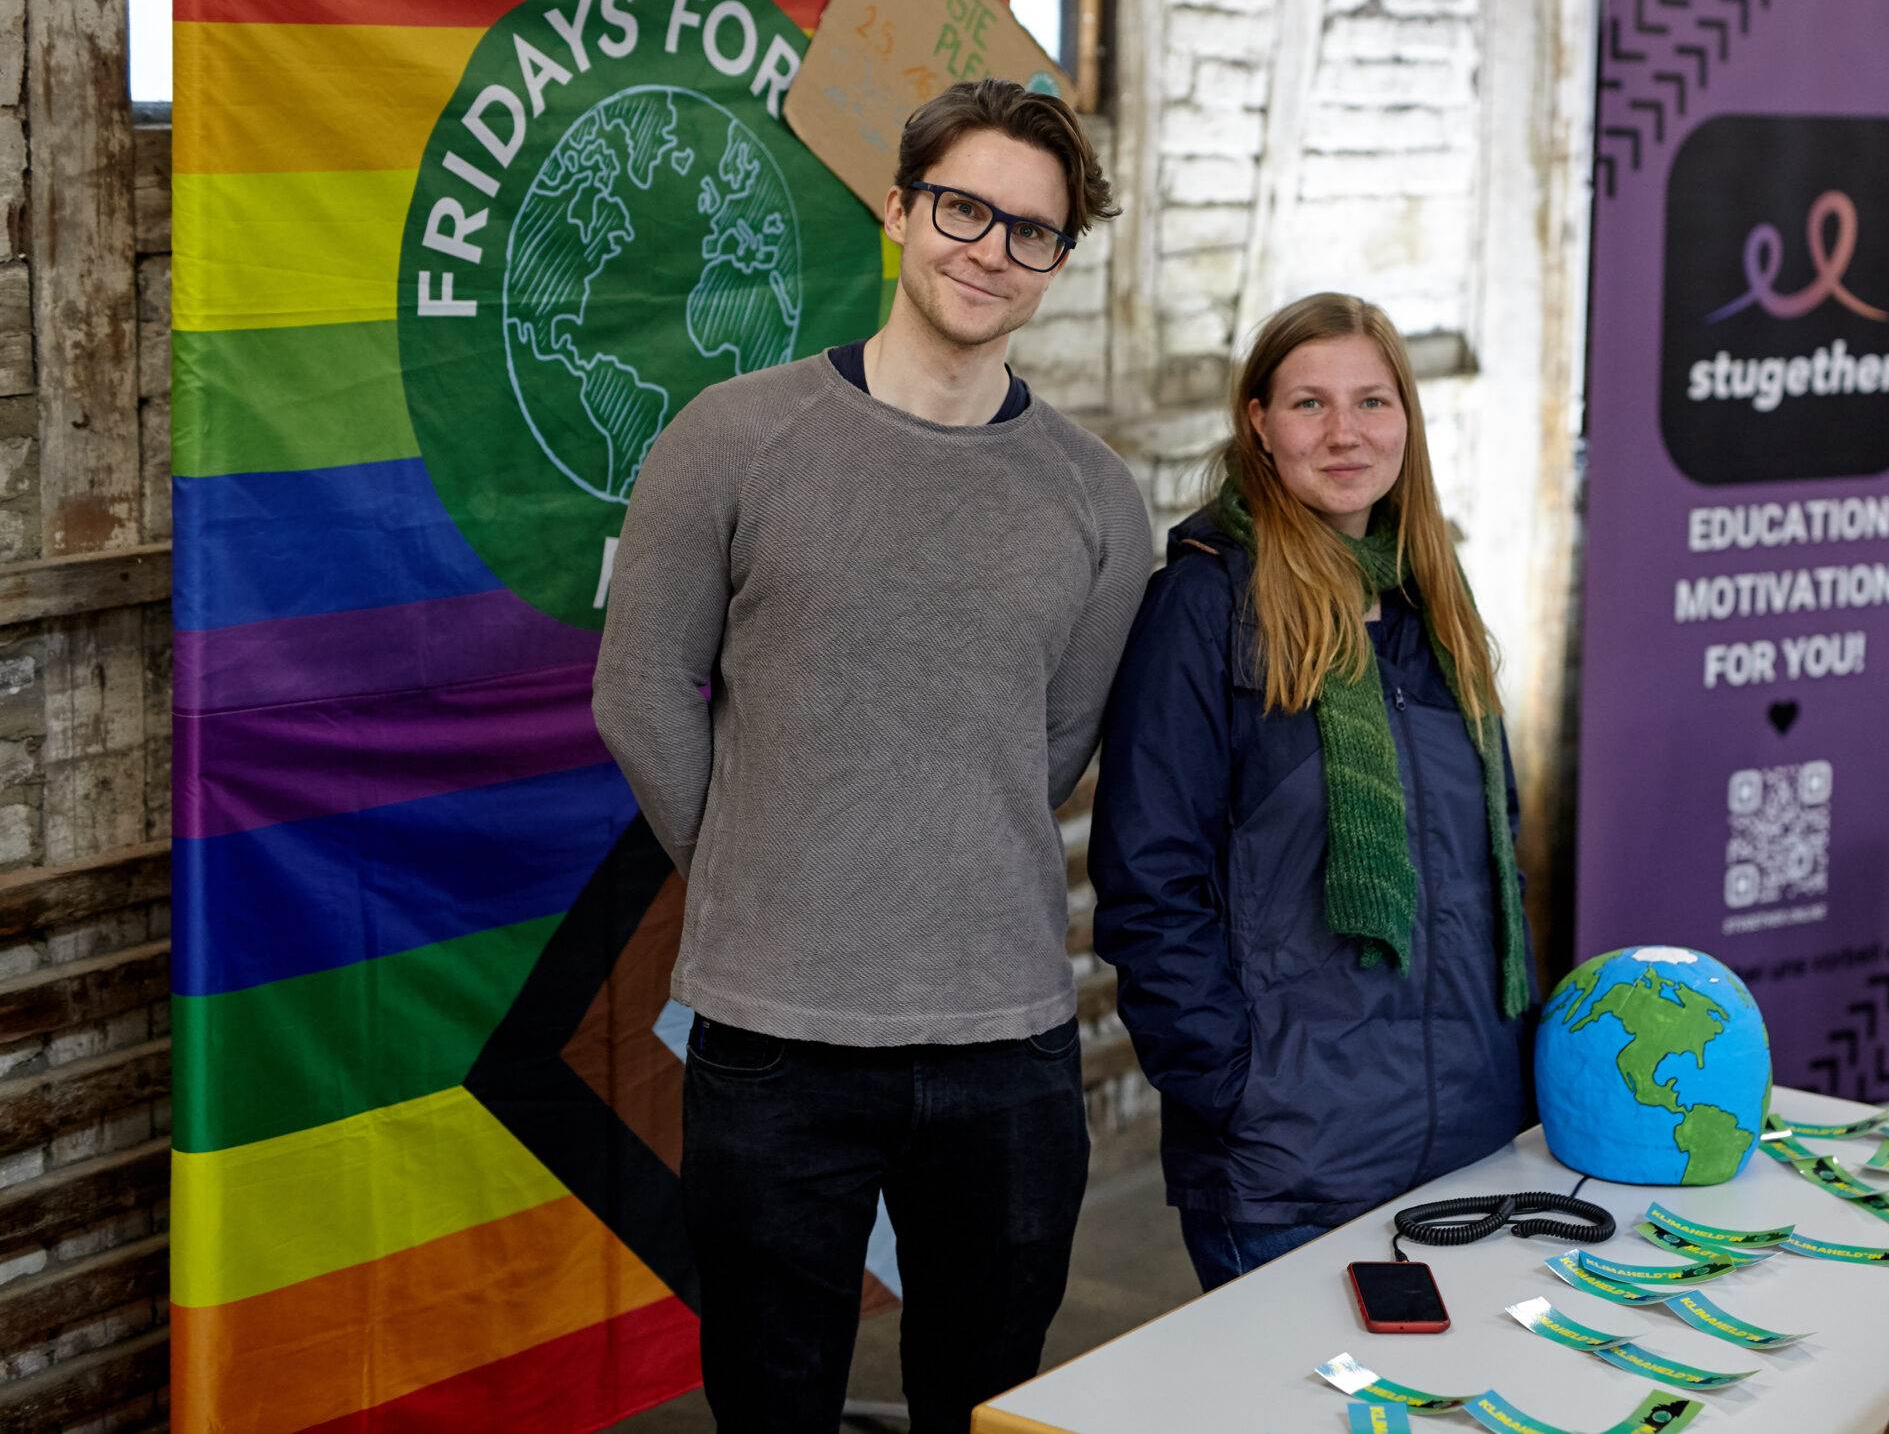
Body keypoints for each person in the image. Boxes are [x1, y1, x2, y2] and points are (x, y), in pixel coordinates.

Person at [593, 78, 1152, 1434]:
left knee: (987, 1393)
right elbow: (641, 688)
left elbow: (1057, 739)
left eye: (1034, 230)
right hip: (775, 1036)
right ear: (901, 208)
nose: (992, 248)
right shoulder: (733, 434)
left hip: (1006, 1038)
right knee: (774, 1400)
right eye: (965, 206)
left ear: (1059, 263)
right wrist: (759, 857)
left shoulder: (1095, 498)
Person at [1087, 292, 1537, 1291]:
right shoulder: (1206, 609)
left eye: (1373, 402)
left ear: (1407, 422)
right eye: (1309, 404)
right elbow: (1147, 879)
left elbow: (1491, 848)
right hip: (1293, 1160)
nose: (1346, 433)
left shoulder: (1433, 598)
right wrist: (1231, 1085)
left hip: (1474, 1136)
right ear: (1258, 422)